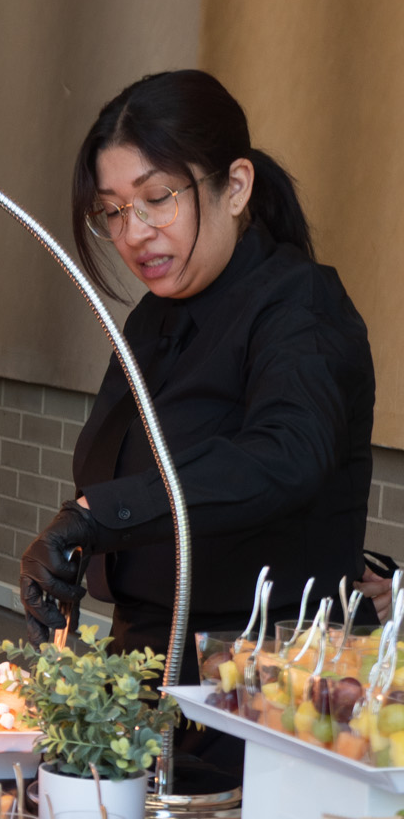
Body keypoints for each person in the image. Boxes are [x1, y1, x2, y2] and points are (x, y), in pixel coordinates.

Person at [19, 69, 374, 715]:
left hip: (256, 697)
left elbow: (287, 451)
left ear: (235, 187)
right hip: (150, 679)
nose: (134, 232)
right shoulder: (151, 319)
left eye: (157, 198)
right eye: (114, 211)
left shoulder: (300, 306)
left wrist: (101, 514)